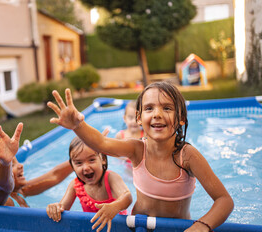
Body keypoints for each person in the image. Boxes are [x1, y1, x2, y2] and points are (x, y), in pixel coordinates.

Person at [47, 82, 234, 232]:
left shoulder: (187, 156)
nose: (157, 115)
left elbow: (224, 200)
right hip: (138, 227)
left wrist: (202, 225)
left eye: (167, 108)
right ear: (139, 118)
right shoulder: (136, 149)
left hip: (177, 230)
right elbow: (101, 144)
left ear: (181, 118)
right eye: (149, 108)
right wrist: (77, 126)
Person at [0, 123, 73, 207]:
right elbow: (1, 186)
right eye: (12, 165)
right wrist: (5, 163)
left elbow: (54, 176)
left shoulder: (21, 192)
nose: (20, 166)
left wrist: (78, 160)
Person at [46, 133, 132, 232]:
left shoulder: (110, 178)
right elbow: (62, 209)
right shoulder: (75, 185)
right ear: (72, 165)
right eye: (78, 163)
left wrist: (114, 207)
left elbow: (127, 197)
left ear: (103, 159)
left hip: (118, 228)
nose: (86, 168)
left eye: (91, 160)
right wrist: (55, 208)